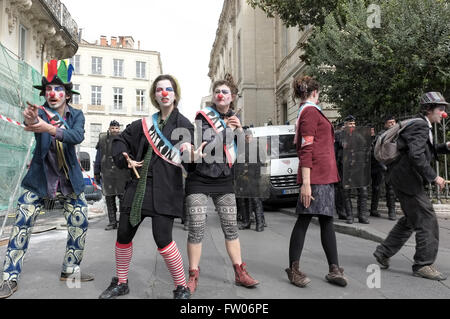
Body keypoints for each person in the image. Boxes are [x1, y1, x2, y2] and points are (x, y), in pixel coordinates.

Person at [0, 60, 93, 299]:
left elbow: (76, 136)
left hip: (68, 182)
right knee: (21, 224)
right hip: (39, 180)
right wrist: (31, 119)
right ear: (44, 93)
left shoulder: (77, 115)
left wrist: (49, 128)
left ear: (67, 94)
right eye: (49, 90)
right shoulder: (39, 112)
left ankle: (70, 270)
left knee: (80, 223)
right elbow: (31, 124)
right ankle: (9, 279)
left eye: (59, 89)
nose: (53, 94)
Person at [98, 74, 194, 299]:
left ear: (175, 94)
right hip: (138, 186)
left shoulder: (185, 125)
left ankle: (181, 286)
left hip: (166, 188)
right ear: (154, 95)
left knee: (163, 239)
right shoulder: (143, 124)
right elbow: (121, 139)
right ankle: (121, 282)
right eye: (159, 90)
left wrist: (191, 154)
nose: (164, 93)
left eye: (168, 89)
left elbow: (190, 161)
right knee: (123, 234)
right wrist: (124, 155)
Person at [185, 74, 259, 294]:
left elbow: (246, 151)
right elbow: (208, 149)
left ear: (232, 97)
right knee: (197, 228)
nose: (220, 94)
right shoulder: (203, 117)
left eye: (225, 92)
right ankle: (192, 275)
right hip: (200, 177)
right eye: (218, 91)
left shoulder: (235, 118)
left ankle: (240, 272)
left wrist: (241, 132)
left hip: (224, 179)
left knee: (231, 228)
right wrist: (227, 129)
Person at [374, 92, 449, 281]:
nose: (443, 112)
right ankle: (423, 264)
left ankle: (384, 252)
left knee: (410, 219)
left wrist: (445, 146)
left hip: (401, 178)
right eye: (440, 108)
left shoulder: (420, 124)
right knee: (426, 218)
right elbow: (416, 156)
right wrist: (434, 177)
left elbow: (420, 151)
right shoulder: (421, 126)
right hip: (407, 180)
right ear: (428, 109)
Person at [286, 75, 347, 288]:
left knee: (325, 220)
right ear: (315, 93)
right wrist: (306, 183)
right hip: (315, 177)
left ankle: (334, 268)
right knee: (305, 219)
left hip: (323, 176)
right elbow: (306, 149)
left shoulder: (309, 111)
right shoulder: (310, 112)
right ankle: (294, 269)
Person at [94, 120, 131, 230]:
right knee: (109, 199)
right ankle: (112, 222)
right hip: (107, 173)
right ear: (109, 128)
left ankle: (124, 222)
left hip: (122, 173)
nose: (115, 130)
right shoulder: (103, 139)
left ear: (119, 129)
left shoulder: (124, 139)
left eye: (116, 128)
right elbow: (98, 157)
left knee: (123, 199)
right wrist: (96, 172)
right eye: (113, 128)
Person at [336, 115, 370, 224]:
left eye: (354, 124)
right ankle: (349, 216)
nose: (352, 126)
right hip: (345, 168)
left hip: (358, 168)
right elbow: (336, 153)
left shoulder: (358, 136)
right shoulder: (339, 136)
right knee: (346, 193)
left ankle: (362, 216)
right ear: (345, 124)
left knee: (363, 192)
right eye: (350, 124)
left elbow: (365, 149)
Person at [236, 127, 266, 232]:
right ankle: (246, 222)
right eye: (246, 136)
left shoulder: (257, 147)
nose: (247, 138)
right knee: (245, 201)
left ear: (252, 136)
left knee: (255, 200)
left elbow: (263, 163)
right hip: (245, 179)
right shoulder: (243, 148)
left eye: (249, 136)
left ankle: (260, 224)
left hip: (255, 178)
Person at [370, 116, 397, 220]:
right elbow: (376, 151)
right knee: (377, 188)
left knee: (391, 189)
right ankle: (373, 209)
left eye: (394, 122)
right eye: (390, 122)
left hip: (393, 165)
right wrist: (382, 164)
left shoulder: (398, 133)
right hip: (381, 165)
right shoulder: (381, 135)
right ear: (385, 124)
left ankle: (392, 211)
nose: (392, 124)